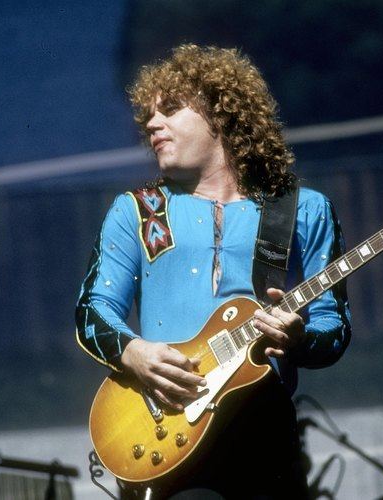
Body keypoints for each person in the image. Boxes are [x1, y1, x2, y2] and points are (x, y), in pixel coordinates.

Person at [76, 44, 351, 499]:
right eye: (148, 114)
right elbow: (91, 310)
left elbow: (334, 326)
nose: (151, 124)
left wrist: (299, 337)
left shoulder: (304, 210)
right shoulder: (137, 212)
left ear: (219, 114)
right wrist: (135, 353)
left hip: (265, 435)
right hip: (165, 430)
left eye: (169, 109)